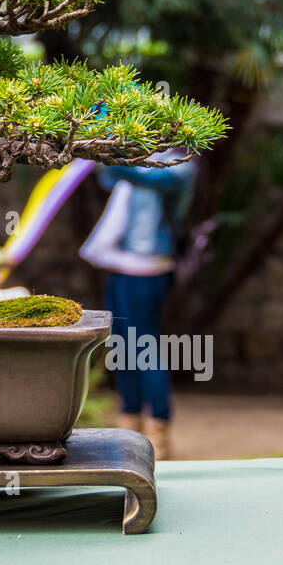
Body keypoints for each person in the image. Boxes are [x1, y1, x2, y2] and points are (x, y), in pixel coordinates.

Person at [80, 150, 196, 460]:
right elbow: (110, 177)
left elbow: (137, 175)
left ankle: (159, 429)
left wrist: (101, 151)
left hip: (148, 268)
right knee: (121, 345)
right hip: (120, 266)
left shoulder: (178, 166)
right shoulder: (140, 158)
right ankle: (129, 423)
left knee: (144, 345)